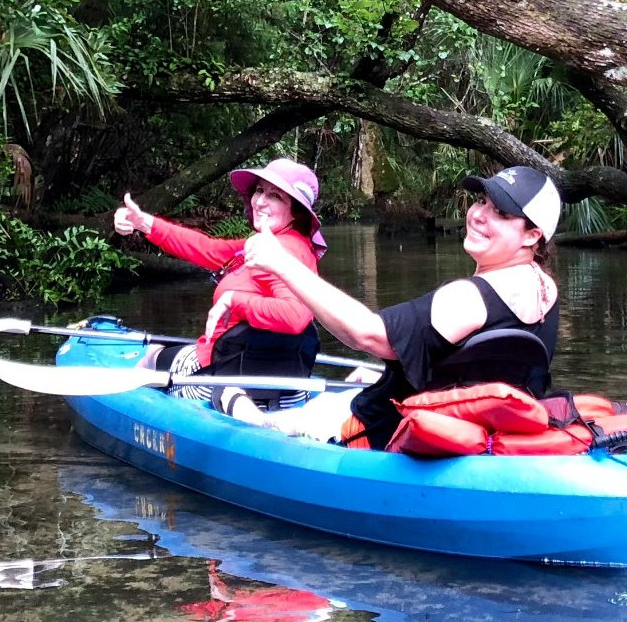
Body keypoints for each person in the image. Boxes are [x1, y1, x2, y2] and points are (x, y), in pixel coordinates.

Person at [211, 166, 562, 450]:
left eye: (500, 213)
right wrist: (395, 375)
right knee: (364, 380)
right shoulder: (545, 288)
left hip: (377, 432)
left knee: (228, 395)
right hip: (467, 430)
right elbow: (477, 369)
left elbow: (365, 334)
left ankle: (256, 418)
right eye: (481, 201)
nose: (478, 215)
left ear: (532, 235)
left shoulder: (468, 298)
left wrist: (282, 264)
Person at [113, 158, 327, 409]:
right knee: (170, 349)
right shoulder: (273, 245)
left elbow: (296, 317)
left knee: (152, 354)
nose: (259, 201)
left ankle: (127, 409)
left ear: (297, 212)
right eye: (259, 190)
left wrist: (234, 300)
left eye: (275, 196)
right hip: (284, 388)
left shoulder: (282, 252)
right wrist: (143, 222)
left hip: (220, 379)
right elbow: (207, 249)